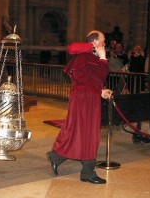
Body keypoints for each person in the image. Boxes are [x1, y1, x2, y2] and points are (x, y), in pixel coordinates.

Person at [47, 30, 112, 184]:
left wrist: (100, 91)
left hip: (85, 99)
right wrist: (103, 58)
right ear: (95, 42)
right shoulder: (86, 57)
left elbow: (90, 81)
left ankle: (56, 157)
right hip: (84, 101)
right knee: (88, 133)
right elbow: (99, 76)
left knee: (80, 132)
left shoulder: (87, 57)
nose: (105, 44)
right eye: (103, 40)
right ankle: (88, 172)